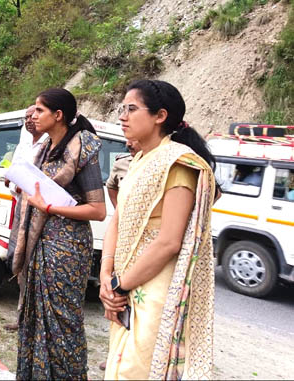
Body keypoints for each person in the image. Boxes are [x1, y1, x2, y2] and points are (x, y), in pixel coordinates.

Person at [100, 79, 216, 379]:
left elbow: (169, 242)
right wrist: (106, 275)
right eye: (121, 109)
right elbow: (119, 219)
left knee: (138, 369)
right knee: (119, 363)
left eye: (131, 109)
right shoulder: (138, 160)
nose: (122, 116)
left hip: (154, 287)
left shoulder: (179, 164)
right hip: (125, 280)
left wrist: (119, 286)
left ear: (160, 116)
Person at [13, 88, 107, 380]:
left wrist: (50, 206)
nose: (33, 115)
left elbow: (98, 210)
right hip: (40, 242)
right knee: (35, 318)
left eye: (40, 110)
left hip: (66, 249)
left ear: (58, 115)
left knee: (63, 323)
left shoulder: (80, 152)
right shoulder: (43, 150)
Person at [3, 104, 48, 332]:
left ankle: (32, 320)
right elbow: (17, 169)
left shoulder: (48, 145)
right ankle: (22, 317)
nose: (29, 120)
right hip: (20, 207)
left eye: (33, 116)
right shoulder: (24, 143)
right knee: (18, 260)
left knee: (33, 263)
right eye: (26, 117)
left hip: (38, 211)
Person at [106, 140, 141, 208]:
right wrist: (119, 210)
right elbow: (111, 186)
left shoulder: (159, 162)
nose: (128, 144)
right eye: (127, 139)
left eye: (134, 139)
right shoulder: (121, 163)